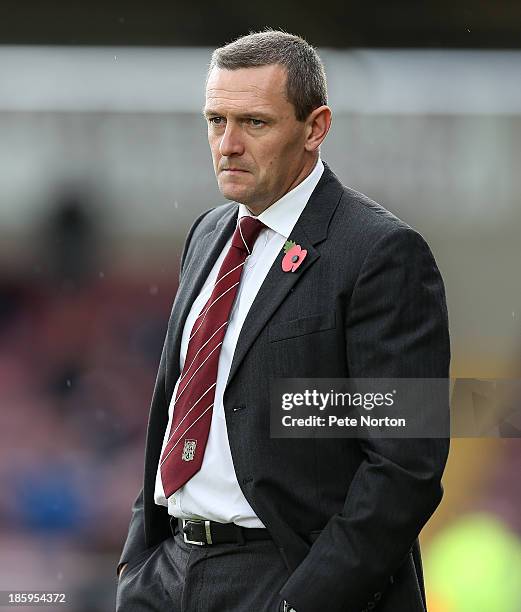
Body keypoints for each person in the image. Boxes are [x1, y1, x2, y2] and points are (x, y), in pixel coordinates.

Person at [116, 30, 450, 612]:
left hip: (283, 575)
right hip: (167, 573)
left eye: (255, 122)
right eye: (216, 120)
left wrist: (306, 602)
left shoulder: (381, 252)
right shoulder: (208, 233)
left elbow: (405, 466)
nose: (228, 144)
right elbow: (173, 407)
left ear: (315, 128)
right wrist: (138, 564)